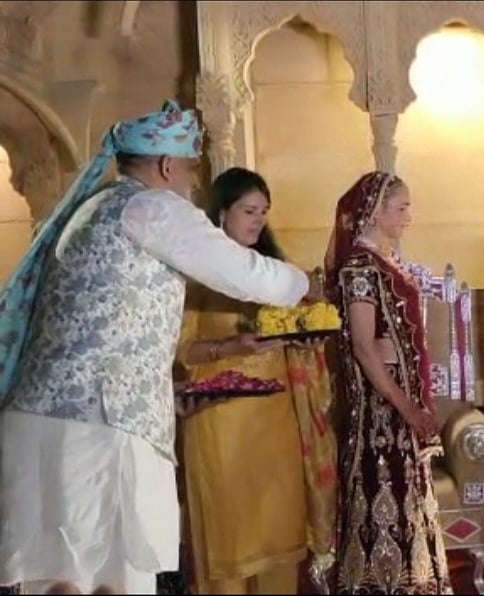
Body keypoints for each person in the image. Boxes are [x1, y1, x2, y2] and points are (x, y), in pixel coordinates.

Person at [0, 100, 316, 595]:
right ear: (168, 165)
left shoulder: (94, 207)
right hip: (100, 425)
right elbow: (243, 272)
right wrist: (307, 285)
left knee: (57, 582)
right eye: (191, 169)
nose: (193, 183)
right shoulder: (152, 207)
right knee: (113, 581)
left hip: (45, 421)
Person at [176, 168, 338, 594]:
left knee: (278, 538)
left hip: (277, 422)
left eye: (264, 212)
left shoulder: (274, 272)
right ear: (221, 212)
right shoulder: (196, 277)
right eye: (249, 211)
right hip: (221, 426)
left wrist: (307, 335)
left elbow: (303, 325)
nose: (258, 220)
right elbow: (181, 351)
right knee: (229, 540)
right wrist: (232, 346)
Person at [323, 171, 451, 594]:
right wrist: (407, 407)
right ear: (376, 212)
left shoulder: (385, 260)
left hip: (400, 399)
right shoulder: (360, 267)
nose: (409, 217)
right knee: (384, 491)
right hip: (381, 407)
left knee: (409, 497)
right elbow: (364, 347)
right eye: (402, 208)